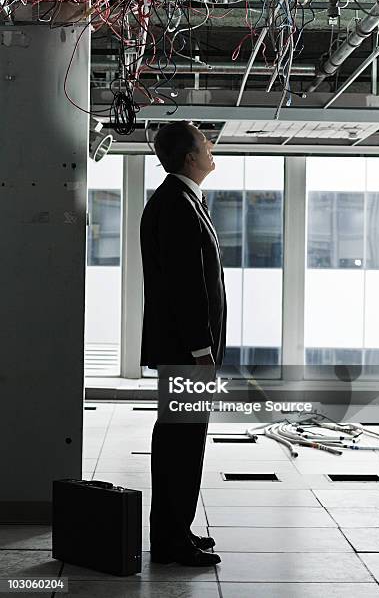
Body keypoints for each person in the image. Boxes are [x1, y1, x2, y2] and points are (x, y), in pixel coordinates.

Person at [140, 121, 227, 566]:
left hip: (184, 350)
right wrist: (200, 350)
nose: (212, 149)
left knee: (182, 444)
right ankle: (172, 541)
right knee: (182, 446)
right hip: (186, 352)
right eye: (206, 143)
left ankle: (177, 531)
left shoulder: (181, 199)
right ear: (191, 156)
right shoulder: (176, 203)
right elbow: (185, 286)